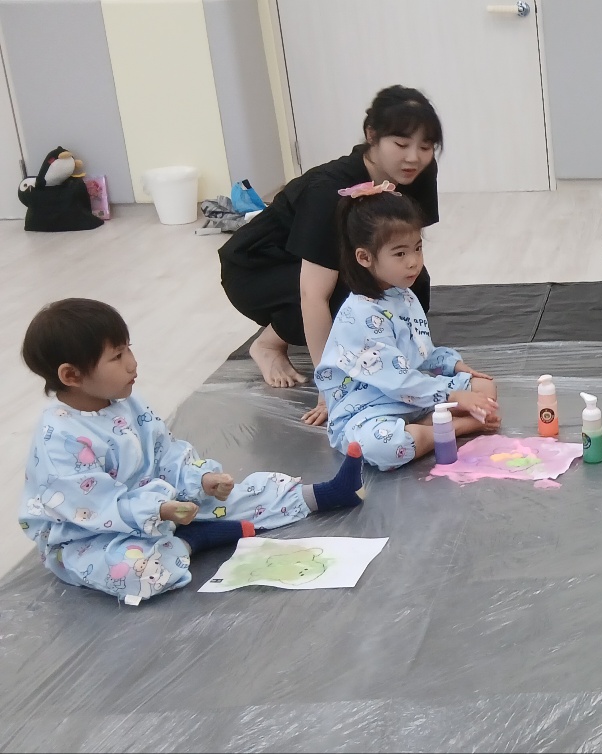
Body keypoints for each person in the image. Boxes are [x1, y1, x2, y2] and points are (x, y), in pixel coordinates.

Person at [18, 299, 366, 606]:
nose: (132, 363)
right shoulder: (60, 439)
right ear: (72, 375)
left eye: (128, 349)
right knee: (136, 571)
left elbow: (166, 453)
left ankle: (323, 495)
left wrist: (201, 479)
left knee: (234, 496)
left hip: (159, 507)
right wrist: (158, 510)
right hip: (92, 535)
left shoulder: (126, 403)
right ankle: (193, 540)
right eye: (117, 356)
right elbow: (97, 507)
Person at [218, 85, 442, 426]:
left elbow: (404, 246)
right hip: (258, 267)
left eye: (425, 147)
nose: (414, 157)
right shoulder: (327, 190)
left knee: (412, 278)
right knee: (345, 298)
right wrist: (332, 388)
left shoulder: (418, 172)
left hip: (325, 261)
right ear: (372, 135)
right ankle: (270, 342)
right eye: (401, 144)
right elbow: (312, 294)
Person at [313, 183, 499, 471]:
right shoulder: (360, 314)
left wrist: (453, 364)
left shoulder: (403, 294)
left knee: (484, 387)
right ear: (364, 257)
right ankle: (458, 427)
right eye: (400, 254)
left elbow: (420, 352)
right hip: (368, 408)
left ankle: (428, 426)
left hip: (413, 396)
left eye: (418, 248)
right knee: (385, 446)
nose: (414, 262)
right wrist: (453, 396)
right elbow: (396, 379)